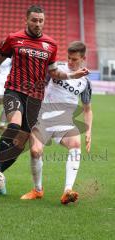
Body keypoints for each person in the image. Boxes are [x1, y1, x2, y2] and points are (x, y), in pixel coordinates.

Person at [0, 5, 89, 195]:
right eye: (34, 20)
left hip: (35, 99)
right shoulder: (13, 39)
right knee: (14, 125)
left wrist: (72, 77)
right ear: (27, 20)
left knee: (18, 145)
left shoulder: (51, 45)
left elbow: (54, 72)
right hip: (14, 90)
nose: (38, 24)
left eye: (41, 20)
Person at [20, 41, 93, 204]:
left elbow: (87, 109)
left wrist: (88, 131)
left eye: (74, 59)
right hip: (43, 117)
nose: (70, 61)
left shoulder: (86, 82)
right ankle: (37, 190)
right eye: (69, 58)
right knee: (35, 151)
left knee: (75, 142)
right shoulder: (56, 68)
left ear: (83, 58)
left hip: (64, 122)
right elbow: (39, 86)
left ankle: (68, 190)